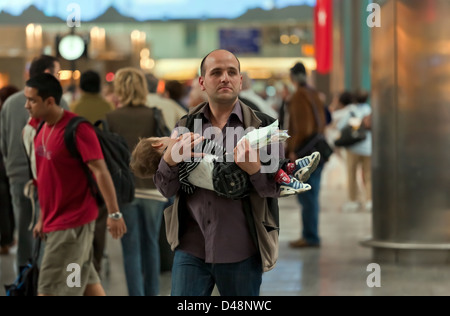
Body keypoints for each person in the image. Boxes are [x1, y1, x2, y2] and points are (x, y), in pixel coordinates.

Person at [154, 49, 286, 296]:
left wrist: (255, 169)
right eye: (216, 72)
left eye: (231, 72)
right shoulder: (185, 125)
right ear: (202, 82)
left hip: (242, 249)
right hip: (191, 249)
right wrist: (169, 160)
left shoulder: (264, 127)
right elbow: (165, 188)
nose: (225, 78)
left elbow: (276, 188)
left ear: (240, 81)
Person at [25, 73, 126, 296]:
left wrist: (114, 213)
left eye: (32, 100)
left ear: (49, 101)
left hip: (71, 226)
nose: (26, 105)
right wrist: (42, 216)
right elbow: (44, 178)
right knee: (89, 285)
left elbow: (101, 172)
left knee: (52, 290)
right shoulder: (41, 129)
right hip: (56, 221)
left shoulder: (78, 129)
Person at [0, 55, 69, 271]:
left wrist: (12, 165)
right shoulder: (58, 102)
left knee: (23, 227)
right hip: (48, 175)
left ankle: (24, 276)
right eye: (57, 73)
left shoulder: (11, 103)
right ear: (48, 74)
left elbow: (3, 142)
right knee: (47, 227)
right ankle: (43, 277)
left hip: (17, 174)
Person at [106, 67, 168, 296]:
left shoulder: (111, 118)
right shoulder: (154, 113)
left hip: (126, 191)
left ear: (119, 89)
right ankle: (153, 293)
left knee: (131, 249)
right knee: (151, 245)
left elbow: (110, 159)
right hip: (153, 189)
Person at [131, 134, 320, 198]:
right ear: (158, 144)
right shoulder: (178, 155)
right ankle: (287, 174)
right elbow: (205, 155)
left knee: (255, 158)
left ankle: (290, 170)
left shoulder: (177, 168)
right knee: (253, 154)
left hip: (224, 186)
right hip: (222, 175)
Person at [71, 70, 116, 274]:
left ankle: (82, 260)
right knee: (100, 216)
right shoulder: (107, 107)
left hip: (80, 170)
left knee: (82, 215)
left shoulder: (75, 108)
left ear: (80, 86)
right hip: (103, 168)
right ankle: (96, 261)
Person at [286, 62, 328, 248]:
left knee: (307, 196)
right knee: (312, 194)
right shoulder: (314, 94)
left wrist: (293, 149)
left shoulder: (298, 96)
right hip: (318, 148)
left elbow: (302, 128)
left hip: (306, 151)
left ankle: (310, 236)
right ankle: (311, 234)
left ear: (292, 77)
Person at [336, 89, 372, 212]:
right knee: (368, 175)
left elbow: (340, 126)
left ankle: (353, 200)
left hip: (353, 148)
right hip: (368, 148)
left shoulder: (352, 111)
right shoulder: (370, 111)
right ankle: (369, 200)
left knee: (351, 174)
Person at [0, 85, 19, 255]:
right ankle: (7, 239)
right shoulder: (15, 113)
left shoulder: (5, 112)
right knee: (8, 204)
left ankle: (5, 240)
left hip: (5, 165)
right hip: (10, 165)